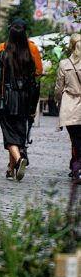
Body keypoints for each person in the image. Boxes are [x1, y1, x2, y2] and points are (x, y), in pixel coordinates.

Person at [0, 18, 42, 164]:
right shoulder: (30, 53)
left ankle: (18, 159)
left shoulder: (2, 51)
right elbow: (37, 76)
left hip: (7, 99)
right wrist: (33, 106)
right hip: (25, 100)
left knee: (9, 133)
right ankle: (13, 166)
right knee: (20, 131)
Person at [54, 33, 81, 180]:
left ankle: (77, 168)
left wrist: (58, 100)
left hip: (71, 105)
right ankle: (75, 166)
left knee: (75, 138)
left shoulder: (65, 64)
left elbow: (59, 87)